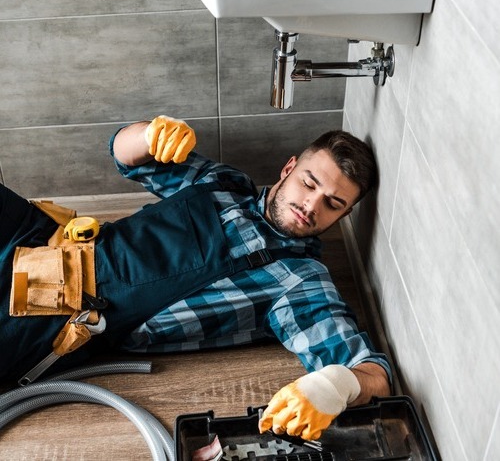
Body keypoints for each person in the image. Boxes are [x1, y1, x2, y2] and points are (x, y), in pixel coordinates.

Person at [0, 115, 390, 440]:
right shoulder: (225, 184)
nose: (311, 205)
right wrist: (149, 133)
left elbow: (373, 373)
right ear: (288, 169)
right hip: (41, 234)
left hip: (54, 311)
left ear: (343, 216)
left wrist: (337, 386)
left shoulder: (299, 280)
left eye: (333, 204)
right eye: (309, 182)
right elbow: (124, 155)